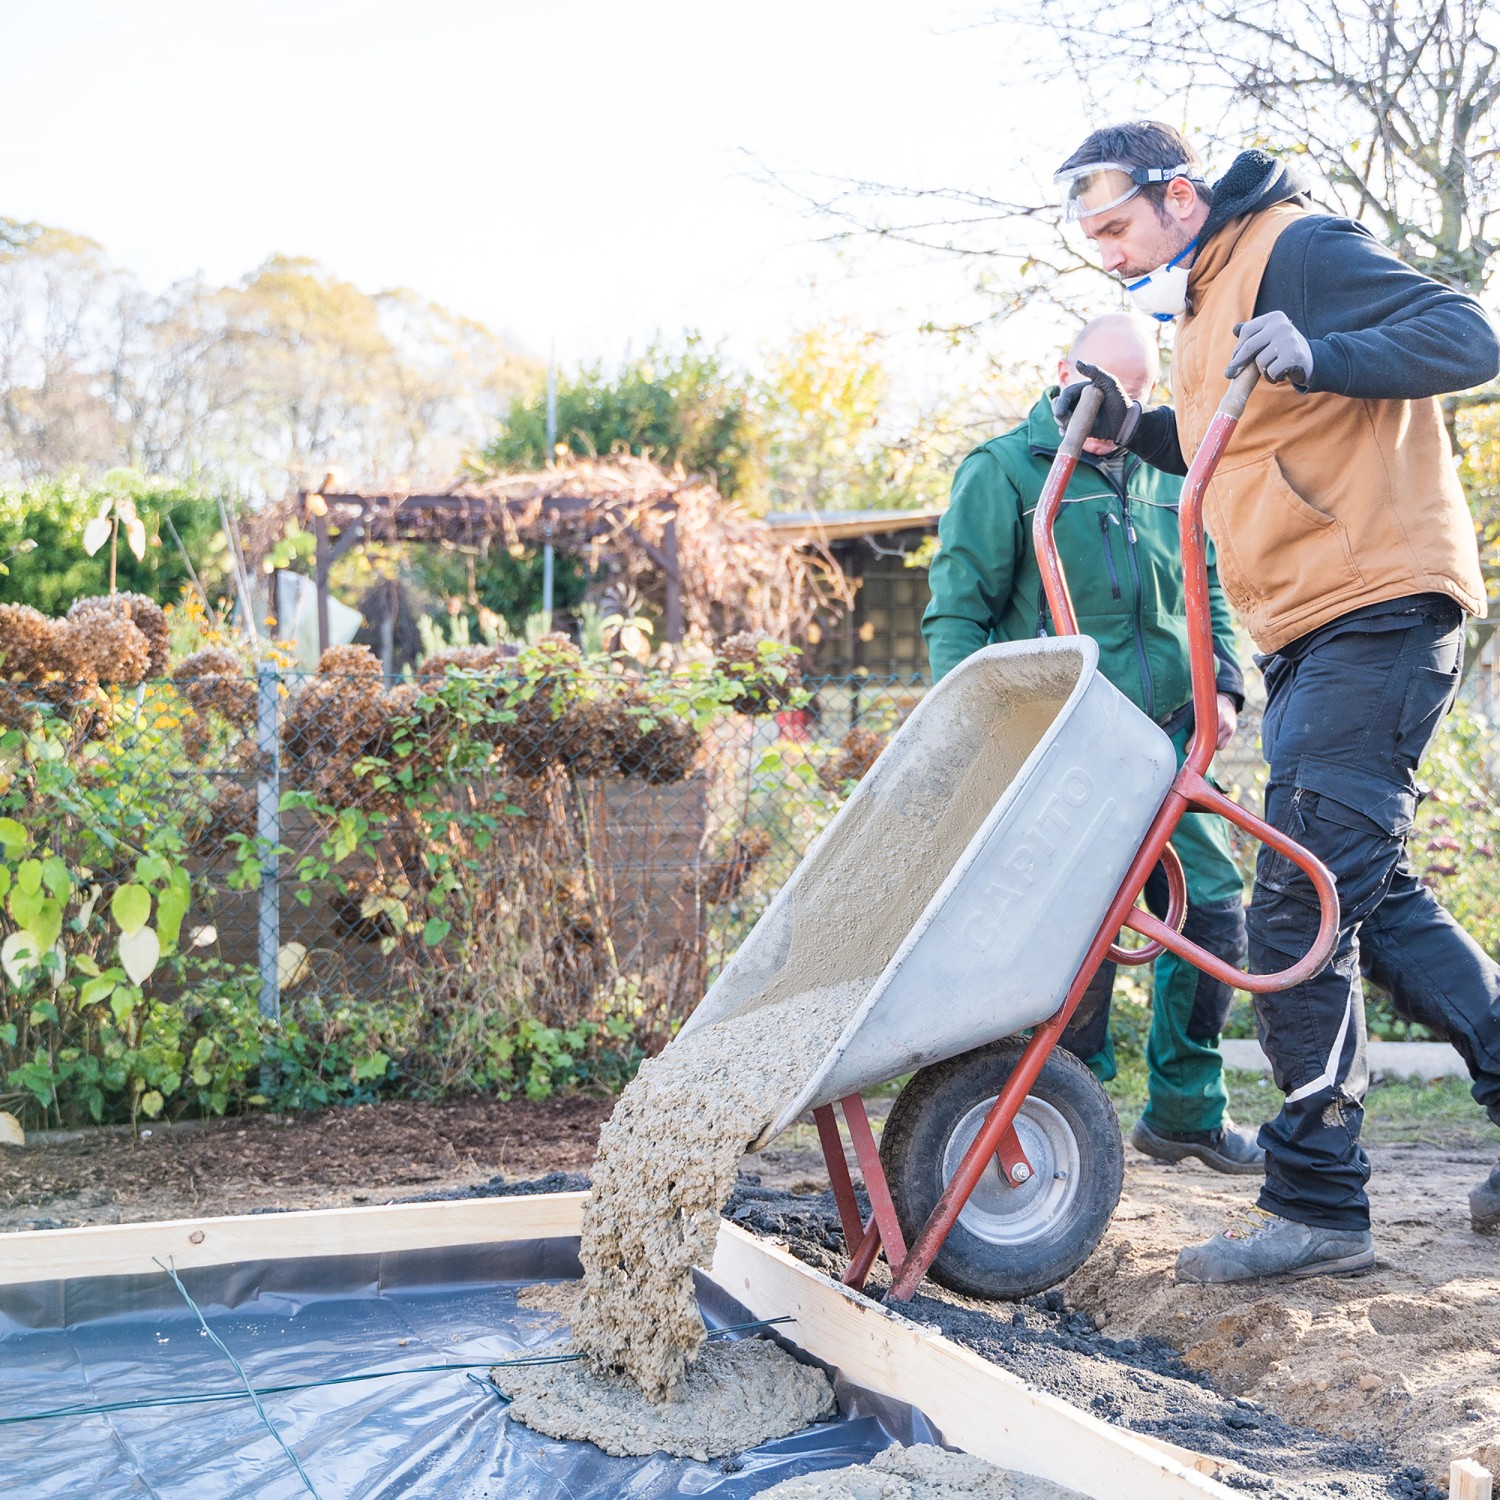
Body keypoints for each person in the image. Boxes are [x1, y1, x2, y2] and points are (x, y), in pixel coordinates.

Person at [1052, 122, 1500, 1282]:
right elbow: (1240, 447)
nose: (1108, 252)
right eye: (1091, 237)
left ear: (1179, 195)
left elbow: (1469, 334)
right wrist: (1128, 428)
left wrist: (1324, 348)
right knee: (1370, 899)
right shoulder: (1203, 300)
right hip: (1313, 627)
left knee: (1298, 908)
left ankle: (1318, 1205)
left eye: (1116, 225)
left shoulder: (1295, 248)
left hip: (1379, 607)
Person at [923, 312, 1258, 1174]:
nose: (1121, 410)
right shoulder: (1004, 471)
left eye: (1139, 393)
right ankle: (1066, 1110)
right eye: (1108, 389)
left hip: (1172, 741)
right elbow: (956, 615)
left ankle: (1186, 1109)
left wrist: (1223, 679)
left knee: (1214, 912)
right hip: (1069, 745)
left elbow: (1207, 578)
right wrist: (980, 736)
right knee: (1078, 932)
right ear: (1064, 372)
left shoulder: (1165, 465)